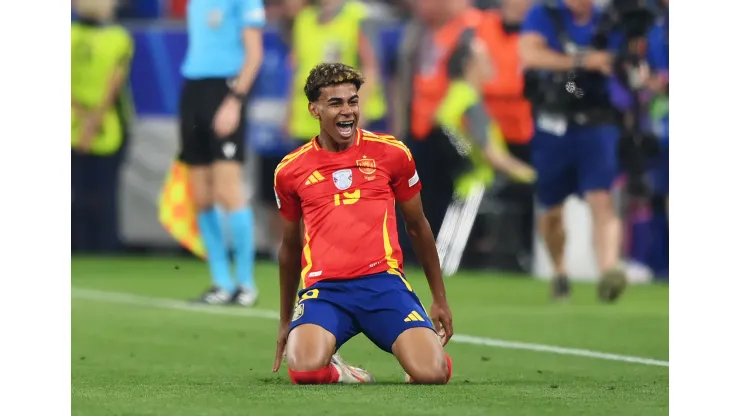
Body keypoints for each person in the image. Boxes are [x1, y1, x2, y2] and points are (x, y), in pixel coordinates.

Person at [272, 63, 454, 385]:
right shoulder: (290, 170)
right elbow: (289, 247)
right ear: (314, 109)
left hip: (383, 285)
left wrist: (439, 297)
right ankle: (342, 371)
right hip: (325, 291)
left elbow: (418, 226)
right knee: (305, 370)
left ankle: (427, 353)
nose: (347, 111)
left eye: (353, 101)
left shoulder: (391, 153)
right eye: (335, 103)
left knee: (432, 374)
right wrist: (286, 319)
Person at [519, 0, 627, 301]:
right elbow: (530, 55)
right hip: (553, 124)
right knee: (551, 209)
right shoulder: (545, 14)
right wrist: (583, 61)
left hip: (597, 122)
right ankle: (560, 271)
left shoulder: (610, 19)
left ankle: (608, 272)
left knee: (601, 197)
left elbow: (623, 59)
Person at [178, 0, 265, 306]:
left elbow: (254, 55)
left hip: (226, 88)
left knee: (229, 190)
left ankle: (246, 283)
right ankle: (221, 283)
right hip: (193, 89)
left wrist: (235, 100)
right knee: (201, 194)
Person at [71, 0, 134, 254]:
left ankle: (81, 246)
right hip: (107, 124)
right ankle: (104, 247)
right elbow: (113, 86)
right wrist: (93, 123)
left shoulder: (70, 36)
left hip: (76, 122)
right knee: (103, 191)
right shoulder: (118, 37)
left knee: (79, 190)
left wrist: (82, 119)